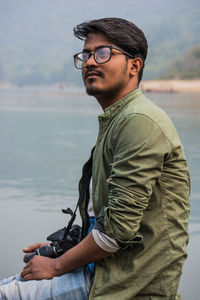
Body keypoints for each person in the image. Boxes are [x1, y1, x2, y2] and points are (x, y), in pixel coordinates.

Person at [0, 17, 190, 300]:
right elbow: (109, 218)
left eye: (103, 53)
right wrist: (71, 246)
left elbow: (117, 231)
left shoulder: (139, 121)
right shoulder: (119, 118)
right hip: (108, 268)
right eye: (86, 54)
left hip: (129, 284)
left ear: (134, 66)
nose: (90, 62)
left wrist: (56, 265)